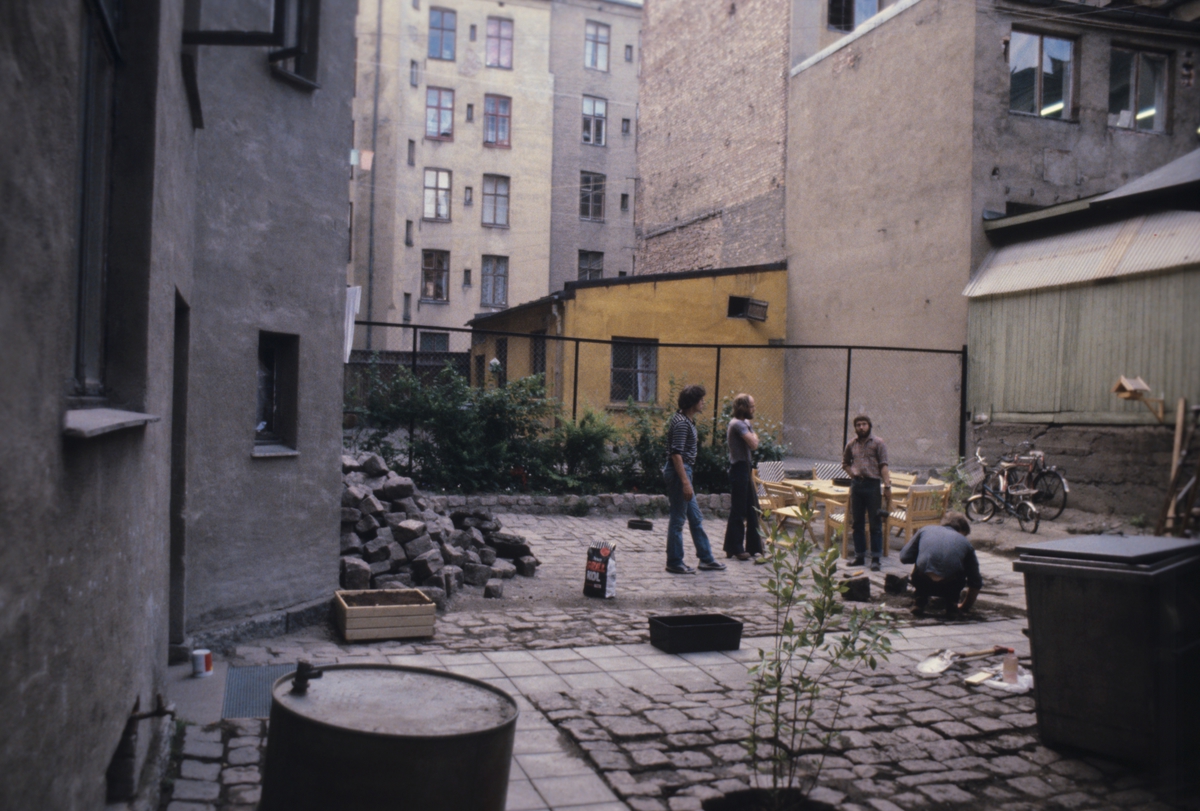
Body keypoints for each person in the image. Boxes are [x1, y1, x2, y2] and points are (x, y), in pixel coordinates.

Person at [663, 385, 726, 574]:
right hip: (680, 472)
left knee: (696, 518)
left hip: (683, 471)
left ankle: (706, 559)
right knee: (678, 518)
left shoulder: (685, 420)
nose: (703, 403)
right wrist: (685, 482)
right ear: (692, 403)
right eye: (700, 400)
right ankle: (674, 561)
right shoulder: (682, 423)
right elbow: (676, 454)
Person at [899, 512, 982, 617]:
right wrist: (965, 606)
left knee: (920, 564)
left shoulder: (925, 530)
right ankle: (952, 605)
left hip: (922, 581)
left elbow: (904, 557)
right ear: (962, 530)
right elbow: (975, 581)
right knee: (963, 567)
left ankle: (920, 600)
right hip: (949, 586)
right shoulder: (965, 543)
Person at [842, 414, 892, 571]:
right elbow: (845, 463)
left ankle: (876, 558)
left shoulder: (878, 443)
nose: (861, 427)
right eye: (858, 425)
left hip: (873, 486)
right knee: (857, 523)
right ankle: (859, 556)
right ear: (855, 427)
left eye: (864, 424)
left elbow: (884, 465)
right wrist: (854, 474)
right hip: (857, 486)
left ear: (869, 426)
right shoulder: (851, 444)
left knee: (875, 523)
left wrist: (887, 486)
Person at [723, 393, 764, 561]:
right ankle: (735, 547)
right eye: (752, 406)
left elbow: (753, 442)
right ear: (743, 407)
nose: (754, 409)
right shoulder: (738, 424)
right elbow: (754, 443)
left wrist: (752, 436)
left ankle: (754, 546)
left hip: (746, 467)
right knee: (739, 509)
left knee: (753, 508)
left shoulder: (745, 423)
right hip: (739, 468)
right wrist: (753, 436)